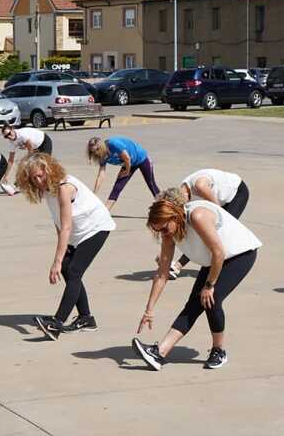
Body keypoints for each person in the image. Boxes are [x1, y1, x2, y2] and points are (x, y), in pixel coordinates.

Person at [132, 187, 261, 372]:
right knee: (193, 304)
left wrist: (209, 285)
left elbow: (219, 252)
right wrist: (149, 309)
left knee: (211, 299)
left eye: (165, 228)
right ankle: (159, 353)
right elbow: (162, 273)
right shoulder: (168, 231)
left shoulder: (198, 216)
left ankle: (219, 351)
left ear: (175, 216)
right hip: (214, 259)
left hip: (240, 254)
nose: (163, 234)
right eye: (158, 230)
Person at [15, 152, 115, 339]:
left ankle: (57, 322)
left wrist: (57, 261)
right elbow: (59, 223)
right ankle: (86, 318)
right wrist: (64, 251)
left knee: (74, 270)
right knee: (68, 269)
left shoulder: (64, 187)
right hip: (78, 232)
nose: (38, 180)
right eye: (33, 178)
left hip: (96, 228)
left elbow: (66, 227)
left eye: (40, 175)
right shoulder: (47, 191)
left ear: (48, 169)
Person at [173, 168, 249, 277]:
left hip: (236, 194)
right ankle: (178, 265)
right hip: (218, 200)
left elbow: (218, 211)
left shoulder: (200, 186)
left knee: (216, 232)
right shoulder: (182, 192)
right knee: (202, 231)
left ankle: (224, 265)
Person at [88, 136, 158, 209]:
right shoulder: (101, 156)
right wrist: (94, 193)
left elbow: (127, 158)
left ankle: (165, 207)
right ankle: (105, 211)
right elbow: (101, 175)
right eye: (93, 152)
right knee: (117, 187)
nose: (96, 153)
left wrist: (126, 172)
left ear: (101, 146)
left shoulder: (113, 144)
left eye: (97, 149)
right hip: (128, 164)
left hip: (141, 158)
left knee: (151, 184)